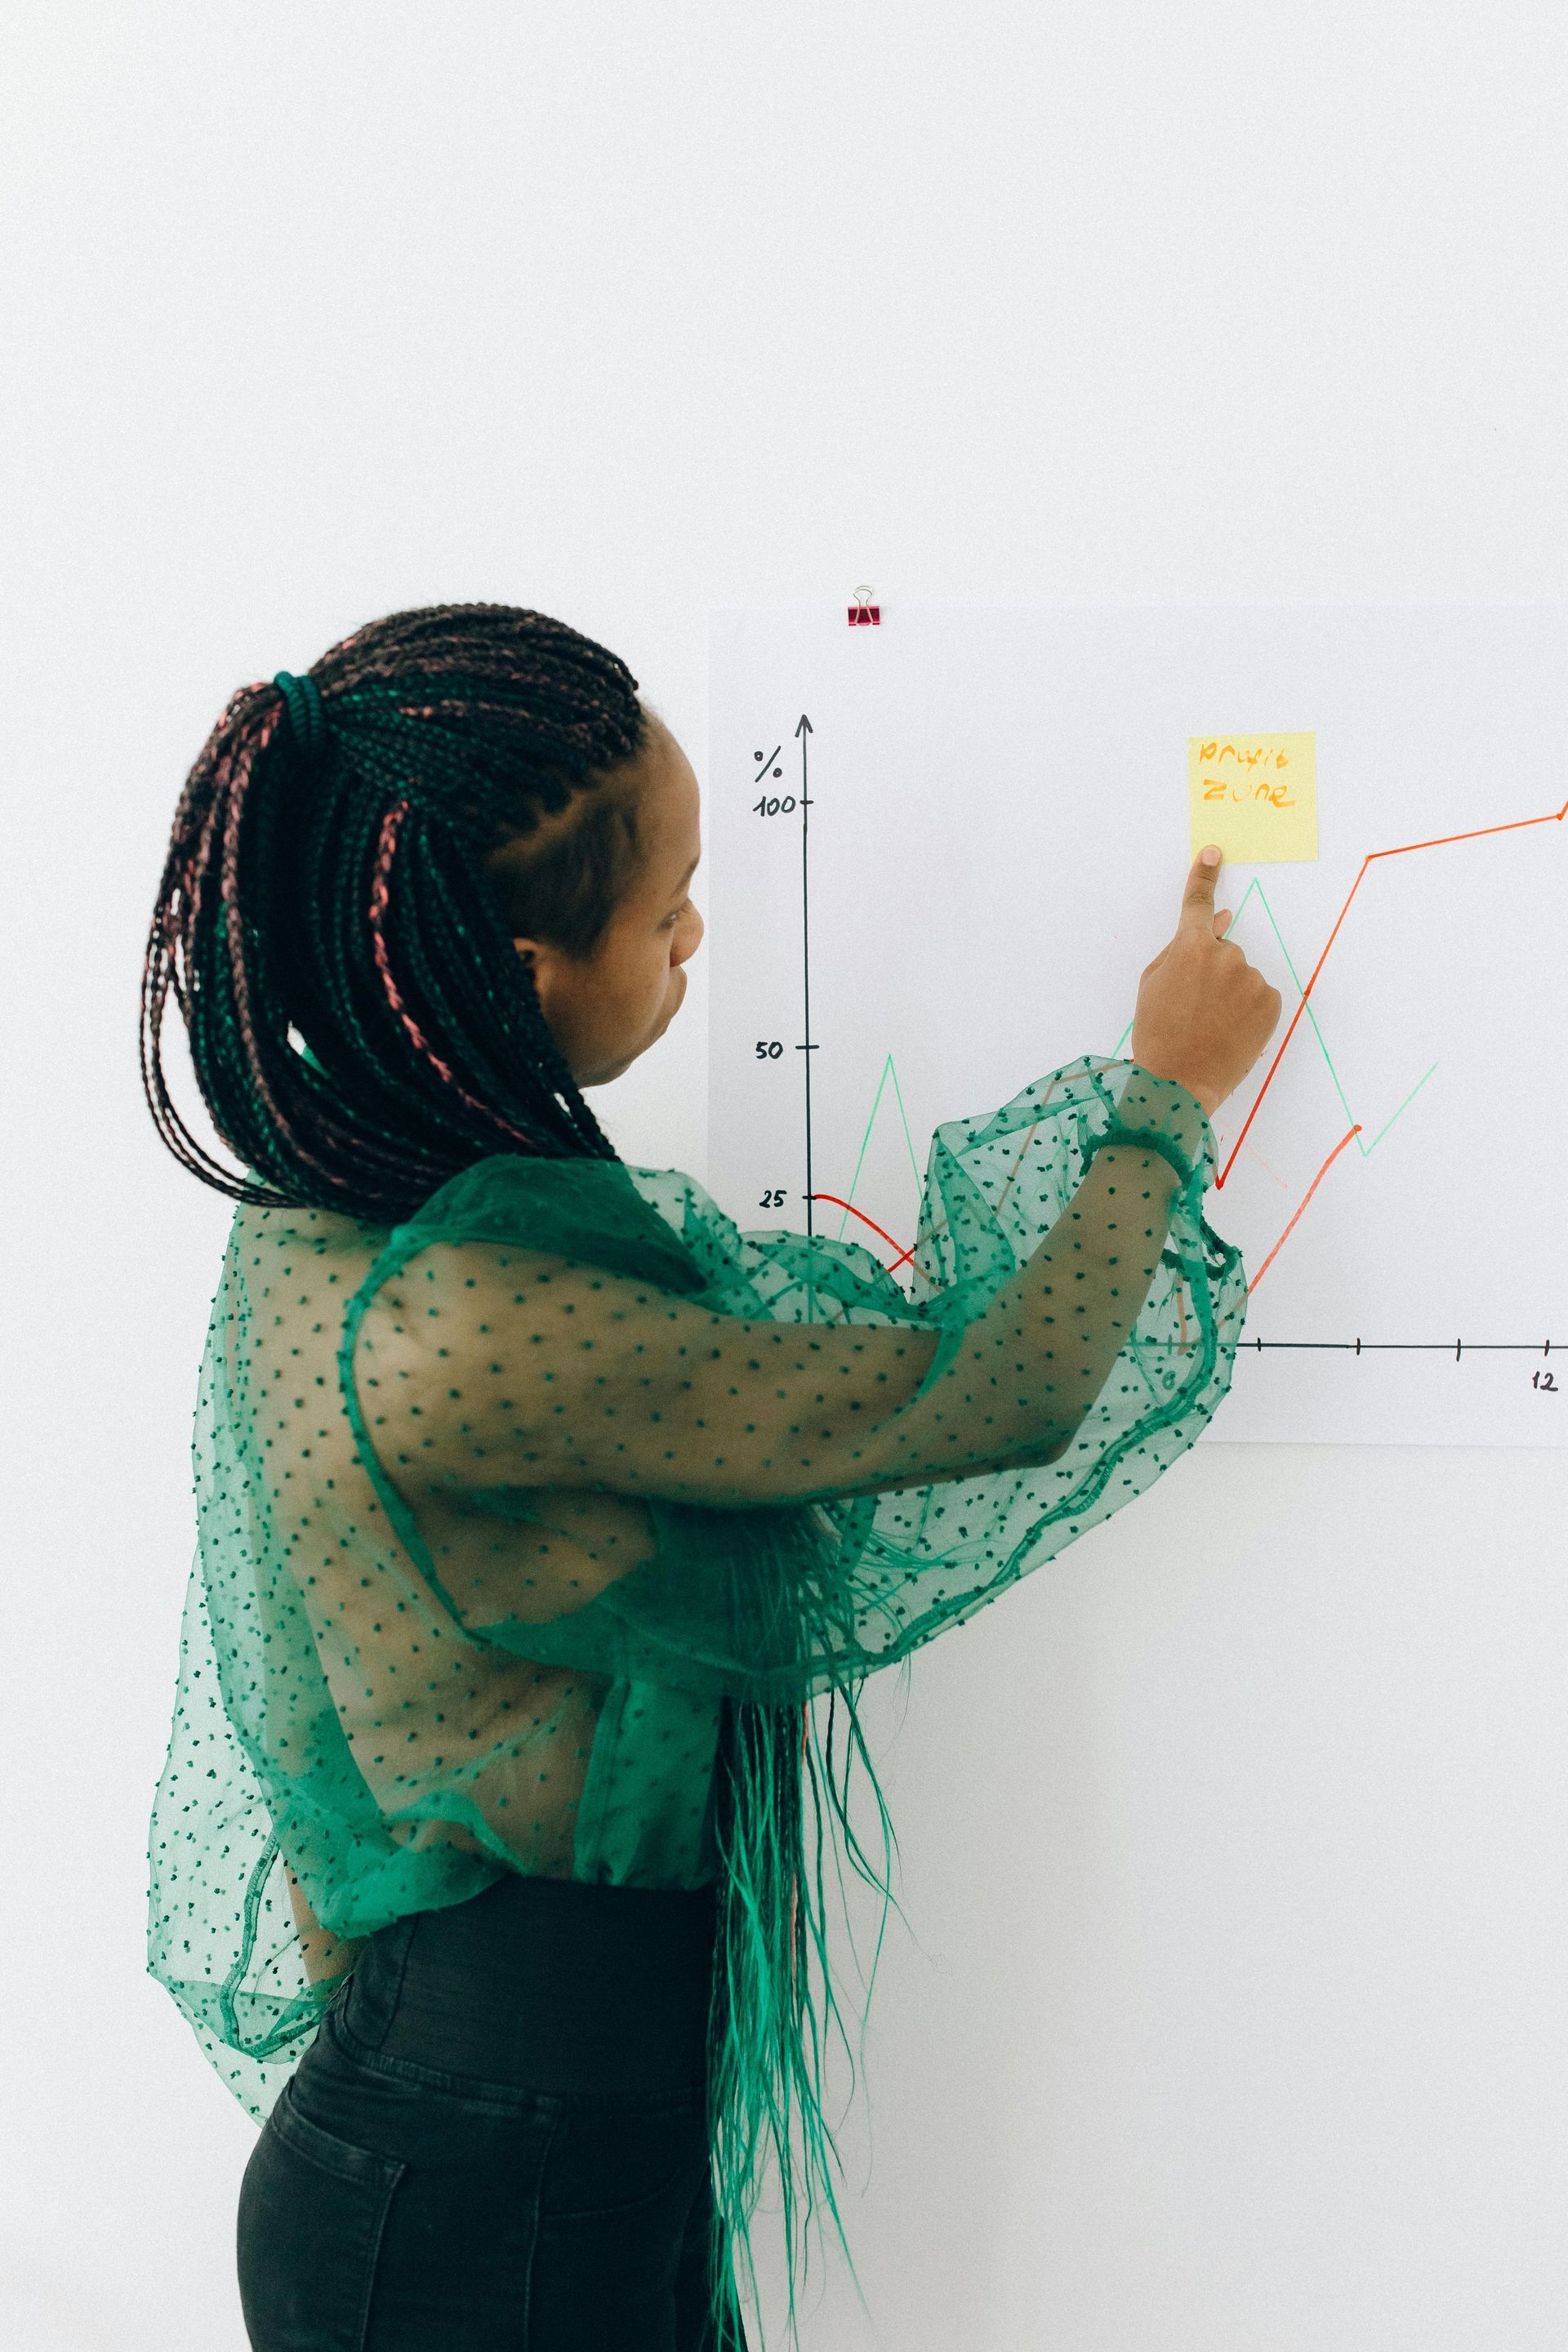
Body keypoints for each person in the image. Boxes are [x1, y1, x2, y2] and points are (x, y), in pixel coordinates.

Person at [140, 602, 1281, 2351]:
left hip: (489, 2128)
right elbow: (992, 1391)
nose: (697, 932)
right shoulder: (468, 1322)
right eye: (664, 908)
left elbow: (305, 1709)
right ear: (521, 971)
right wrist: (1163, 1098)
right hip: (480, 2176)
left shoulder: (327, 1215)